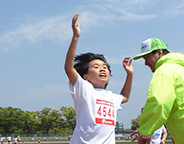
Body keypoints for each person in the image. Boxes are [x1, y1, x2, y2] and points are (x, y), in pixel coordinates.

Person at [64, 13, 134, 144]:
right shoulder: (85, 90)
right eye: (96, 67)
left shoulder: (111, 97)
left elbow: (125, 97)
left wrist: (129, 75)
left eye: (105, 67)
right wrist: (75, 37)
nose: (102, 69)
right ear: (85, 77)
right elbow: (69, 68)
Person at [133, 38, 184, 143]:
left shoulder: (165, 71)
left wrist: (145, 132)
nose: (146, 63)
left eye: (147, 58)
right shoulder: (180, 68)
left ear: (160, 52)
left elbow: (159, 103)